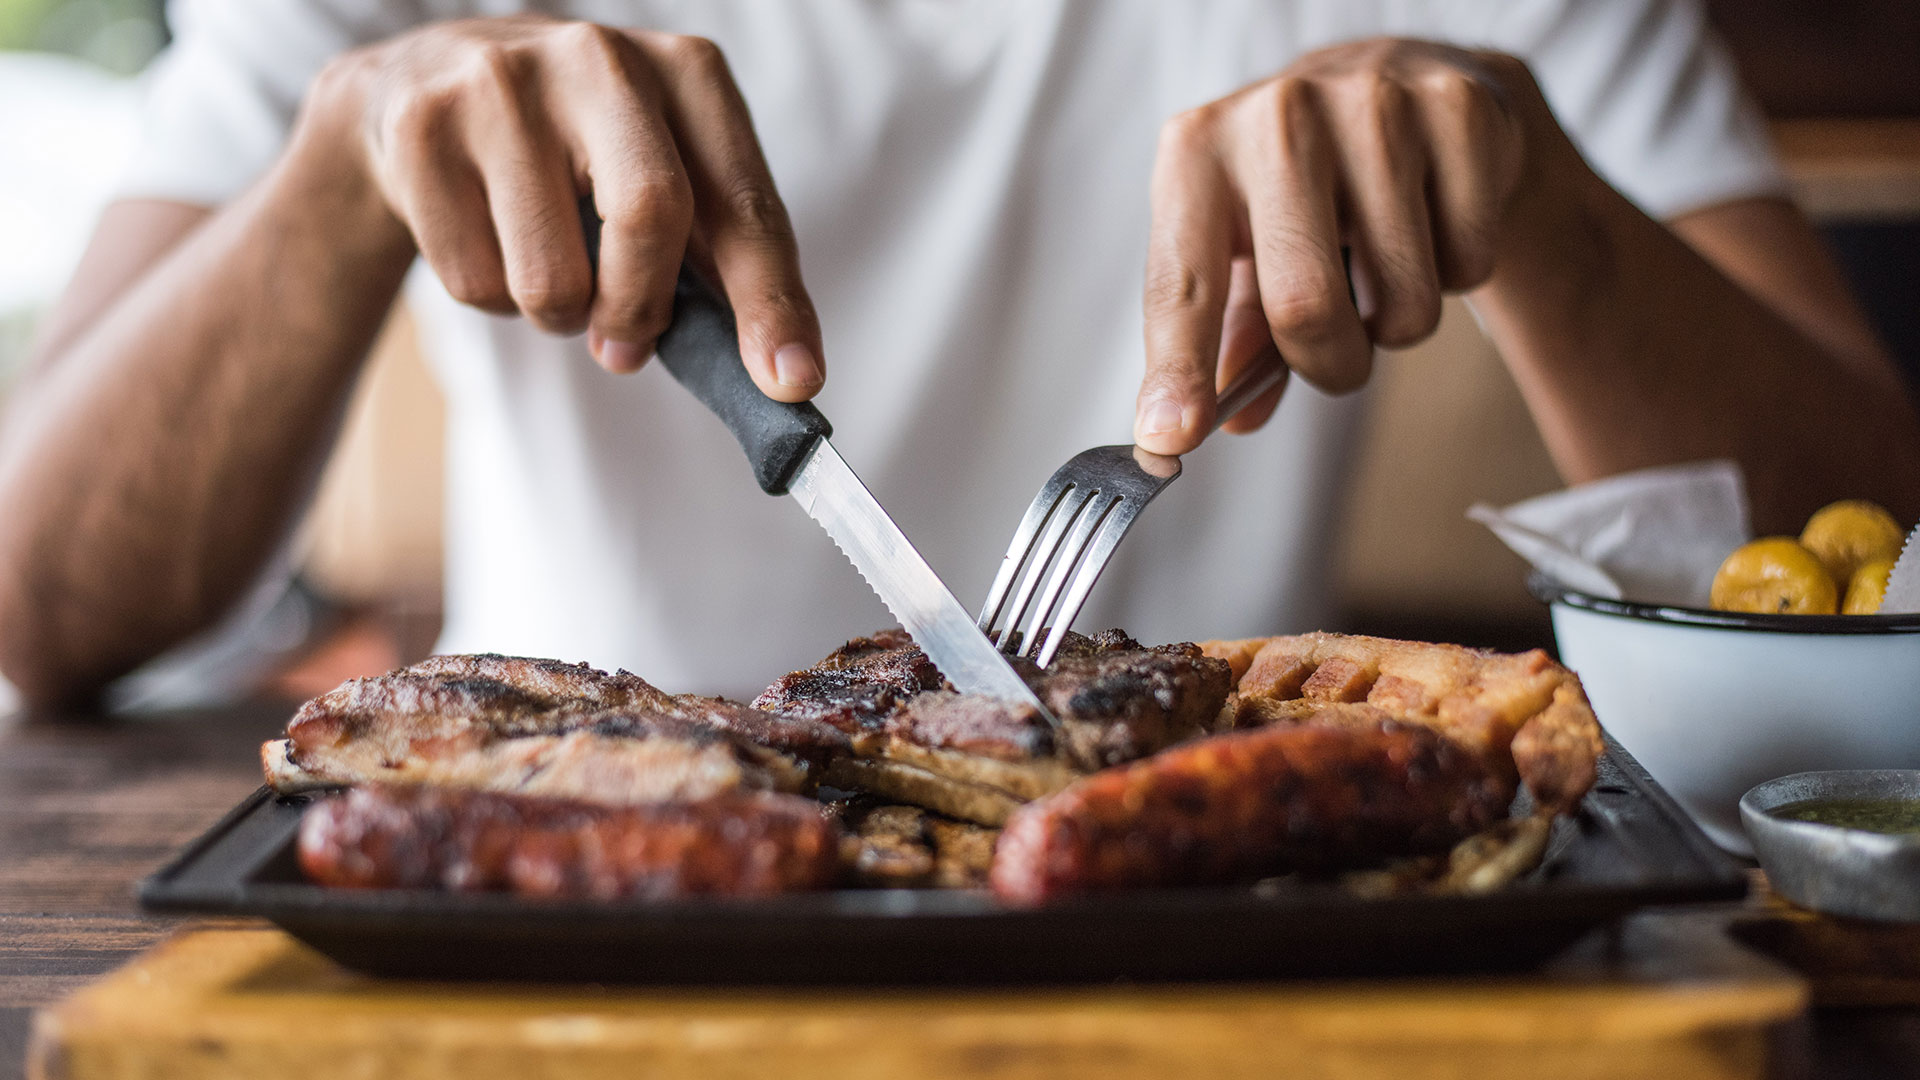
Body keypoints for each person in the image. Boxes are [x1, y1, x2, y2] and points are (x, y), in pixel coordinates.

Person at [1, 0, 1915, 707]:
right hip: (547, 947)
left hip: (1215, 939)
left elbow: (1879, 553)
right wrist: (335, 176)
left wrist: (1545, 208)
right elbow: (37, 603)